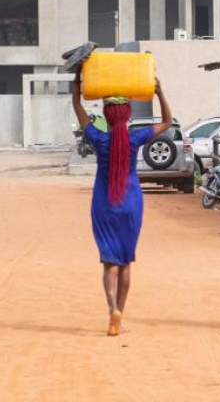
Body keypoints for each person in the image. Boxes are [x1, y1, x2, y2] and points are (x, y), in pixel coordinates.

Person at [71, 76, 174, 336]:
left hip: (104, 203)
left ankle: (112, 310)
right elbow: (167, 122)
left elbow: (78, 107)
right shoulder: (136, 138)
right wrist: (160, 92)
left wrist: (76, 85)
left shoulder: (98, 138)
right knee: (126, 262)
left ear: (106, 115)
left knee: (110, 262)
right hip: (130, 203)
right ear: (128, 115)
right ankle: (121, 314)